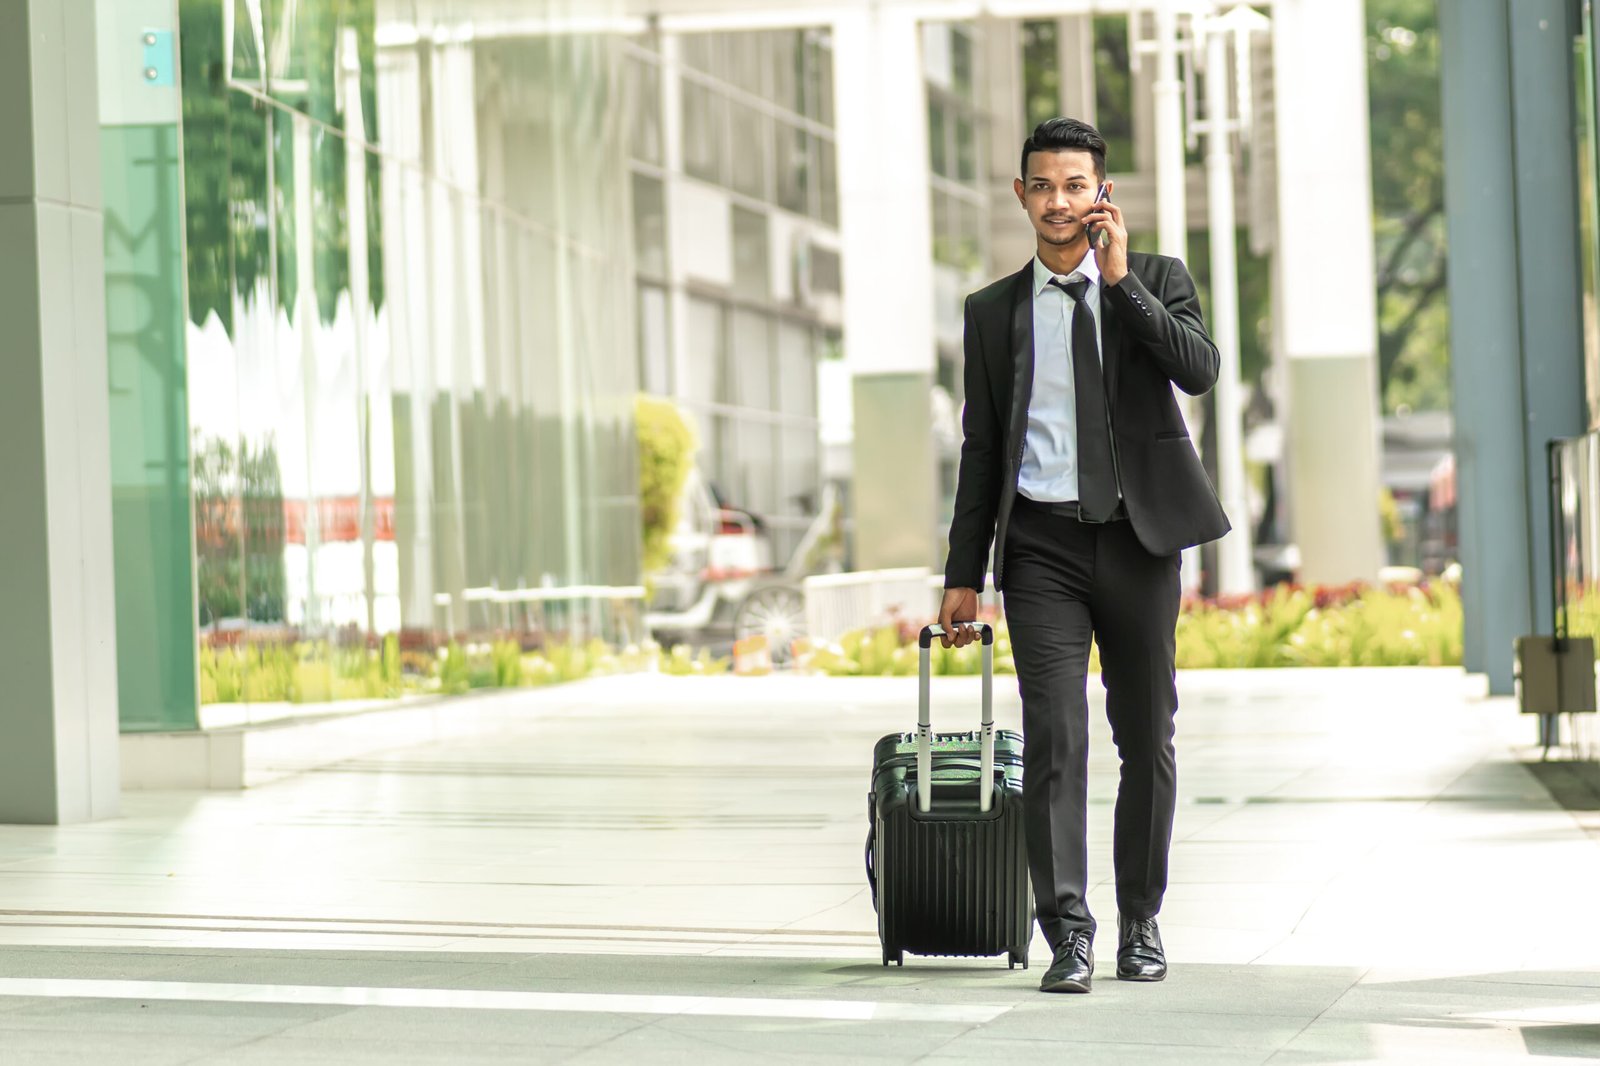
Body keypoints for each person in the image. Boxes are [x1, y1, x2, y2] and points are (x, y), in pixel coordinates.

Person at [937, 117, 1230, 994]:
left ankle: (1141, 921)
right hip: (1041, 547)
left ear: (1101, 195)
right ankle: (1068, 929)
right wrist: (961, 573)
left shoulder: (1156, 280)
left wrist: (1118, 281)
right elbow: (981, 446)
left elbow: (1199, 370)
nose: (1058, 201)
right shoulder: (991, 312)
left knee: (1147, 736)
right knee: (1055, 738)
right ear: (1020, 194)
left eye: (1076, 185)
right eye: (1042, 185)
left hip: (1139, 542)